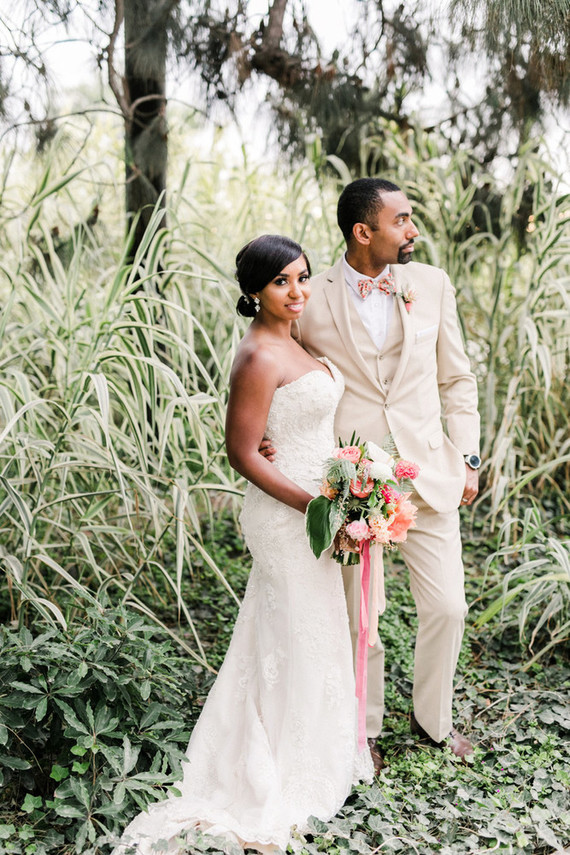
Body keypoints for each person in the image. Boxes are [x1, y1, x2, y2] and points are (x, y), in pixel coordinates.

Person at [115, 235, 372, 855]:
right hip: (289, 516)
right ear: (253, 290)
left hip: (320, 503)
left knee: (308, 628)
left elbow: (292, 426)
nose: (297, 292)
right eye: (282, 282)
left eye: (303, 278)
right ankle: (283, 763)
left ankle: (323, 749)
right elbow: (240, 452)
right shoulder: (258, 353)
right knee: (295, 628)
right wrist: (317, 506)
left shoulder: (296, 337)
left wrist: (351, 488)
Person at [292, 178, 481, 769]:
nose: (413, 231)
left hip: (429, 471)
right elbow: (284, 373)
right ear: (362, 232)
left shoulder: (431, 285)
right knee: (359, 616)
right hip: (356, 482)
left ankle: (433, 723)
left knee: (449, 607)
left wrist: (470, 455)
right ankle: (362, 730)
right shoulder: (310, 296)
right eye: (402, 221)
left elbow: (457, 378)